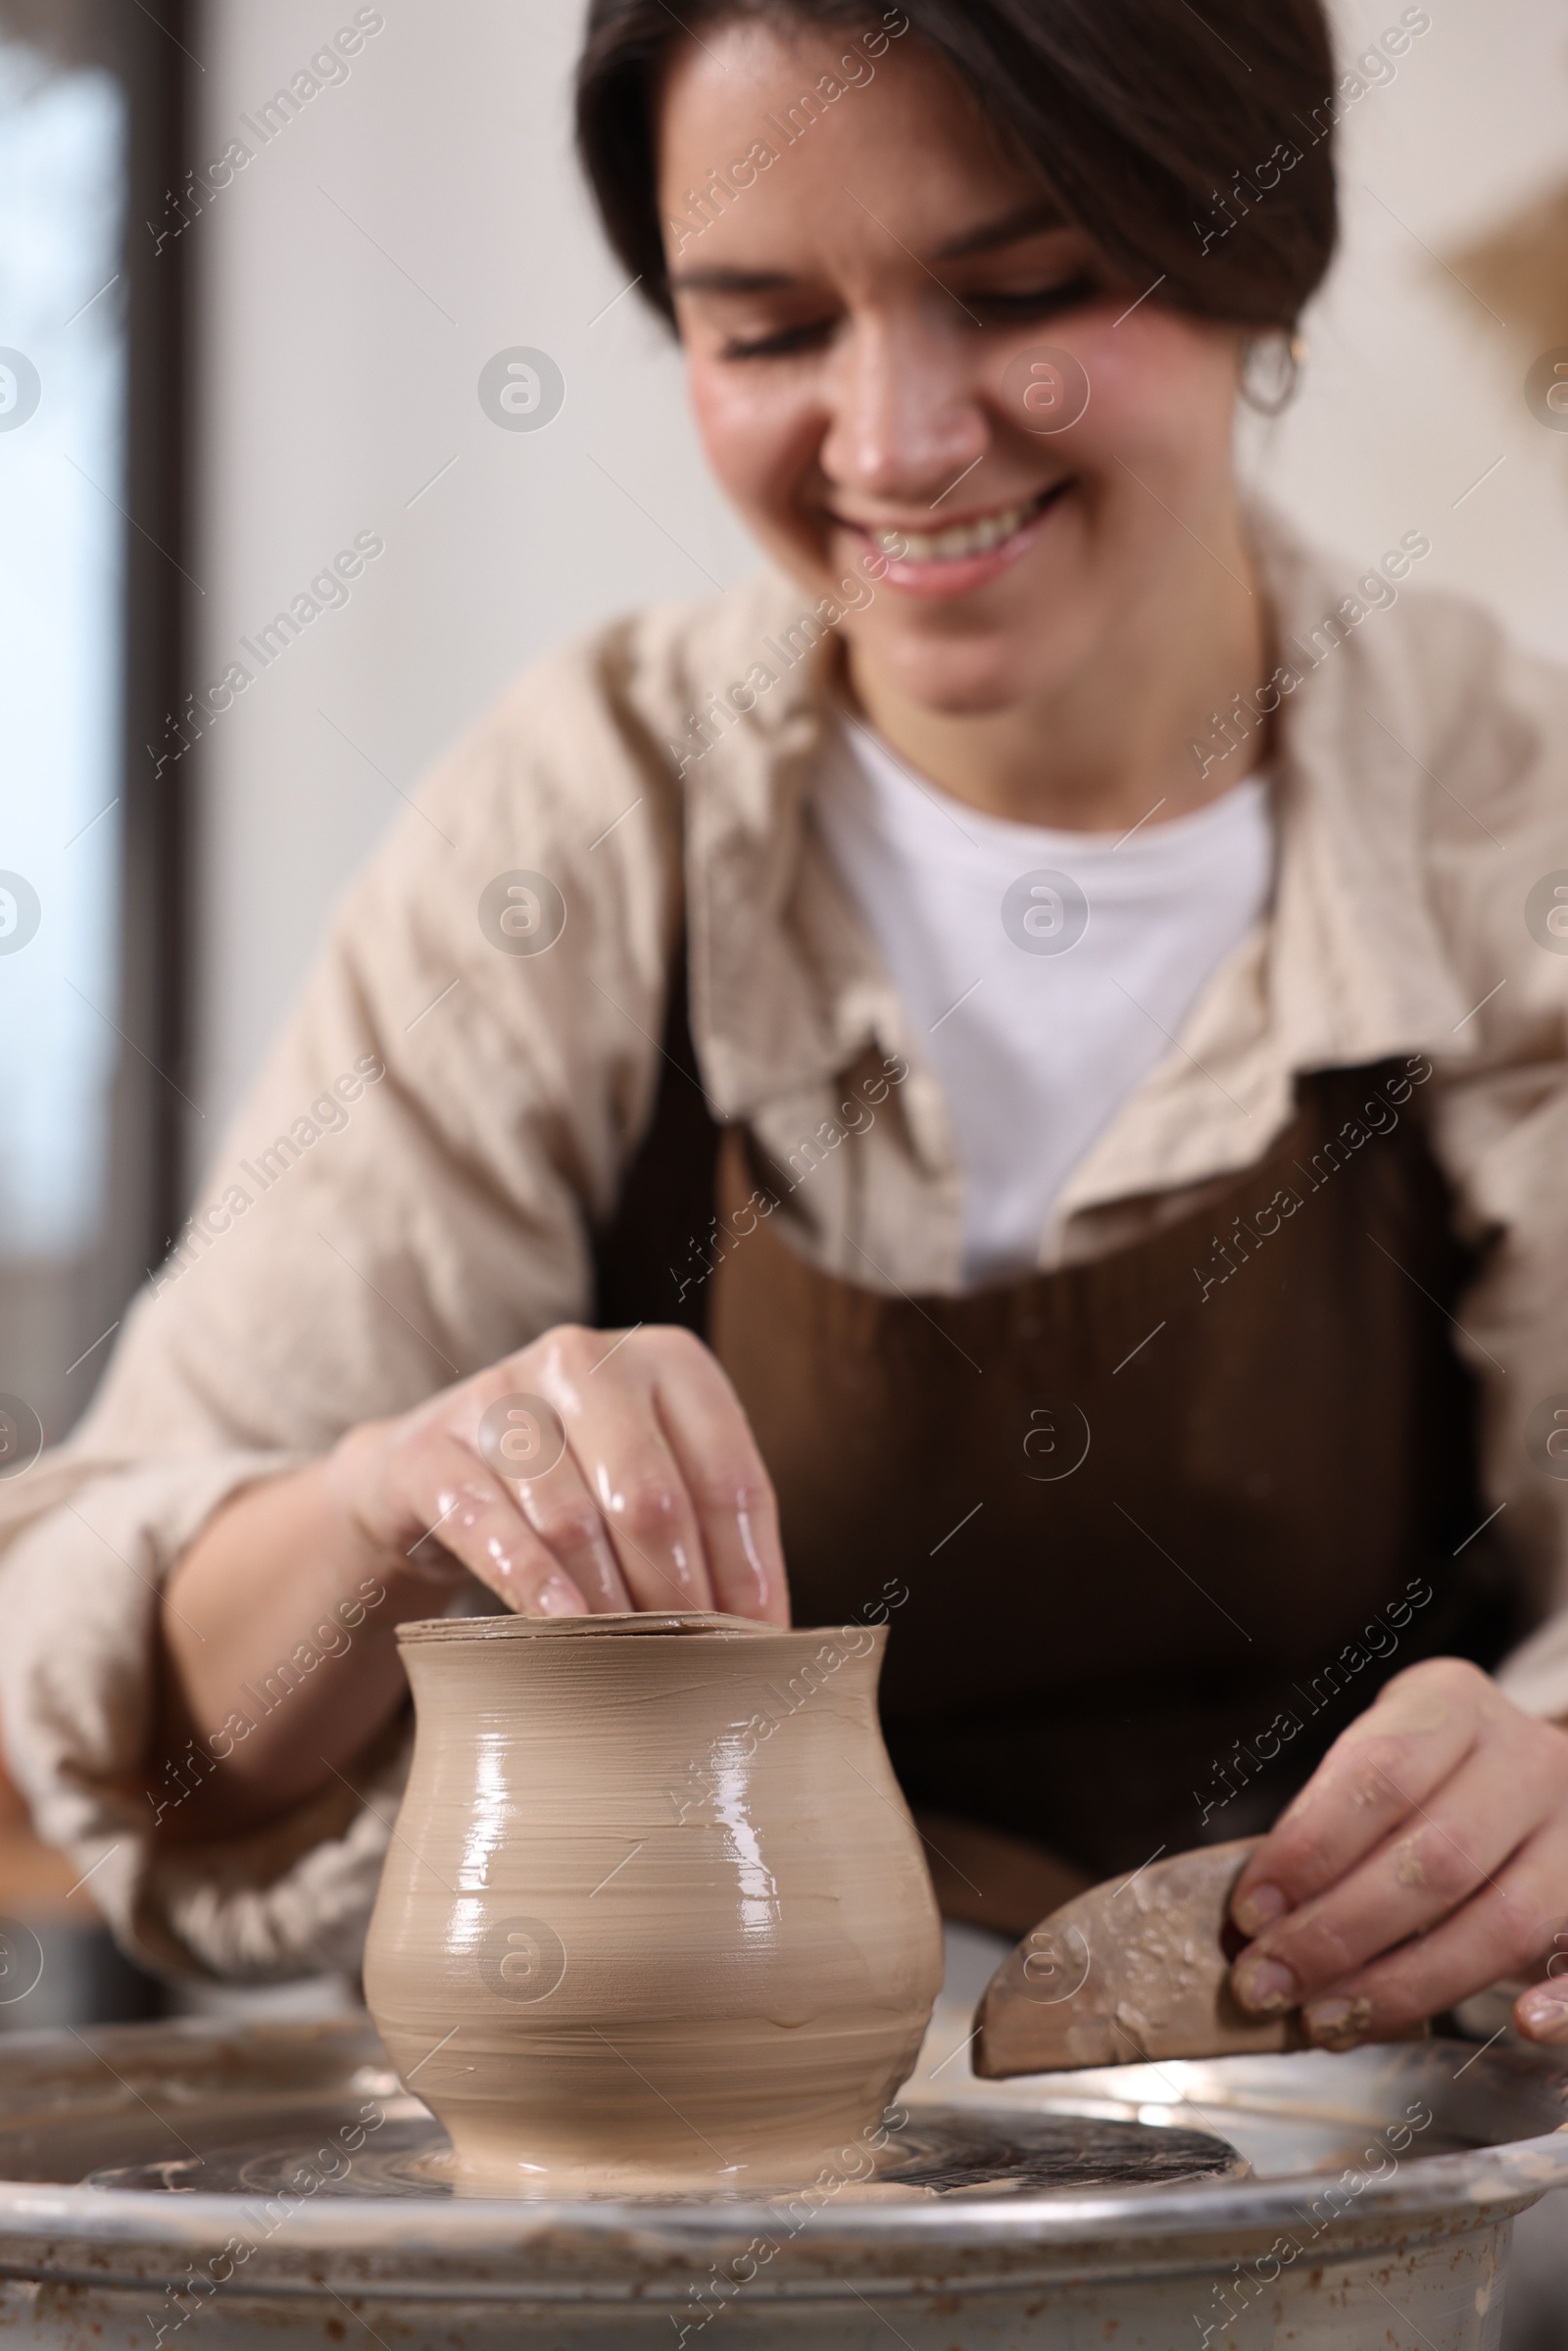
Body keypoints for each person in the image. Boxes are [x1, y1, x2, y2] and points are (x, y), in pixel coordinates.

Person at [3, 0, 1568, 2054]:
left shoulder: (1496, 801)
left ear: (1251, 255)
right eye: (761, 332)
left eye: (1015, 292)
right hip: (680, 2166)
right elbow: (139, 1720)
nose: (894, 442)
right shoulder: (583, 819)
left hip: (1344, 2143)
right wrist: (394, 1496)